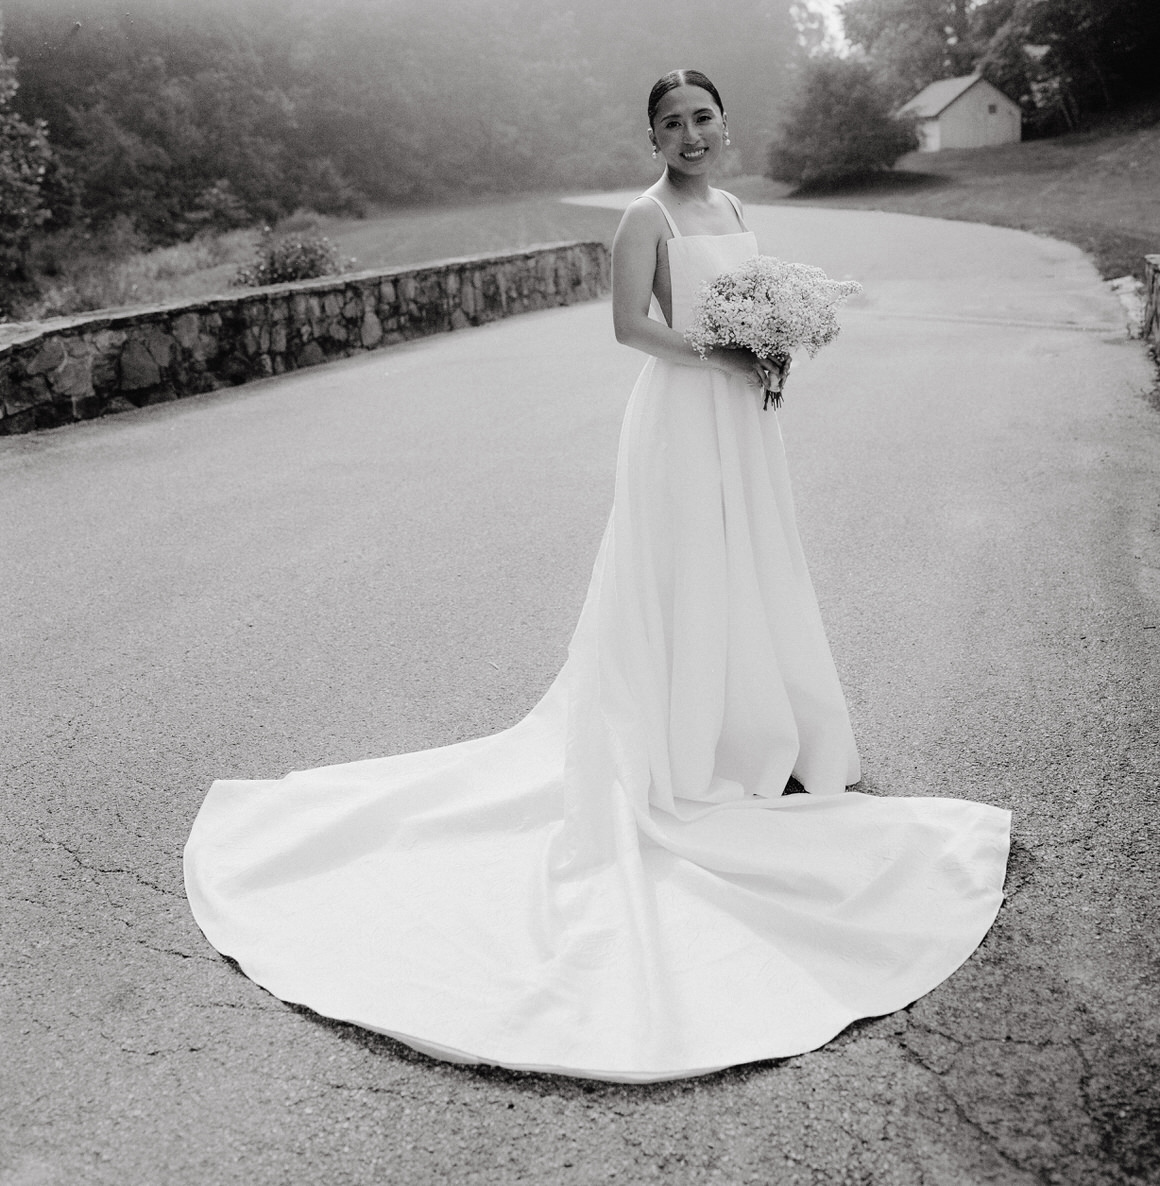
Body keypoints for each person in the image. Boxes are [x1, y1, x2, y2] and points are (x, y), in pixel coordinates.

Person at [185, 69, 1010, 1083]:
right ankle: (671, 747)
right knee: (679, 576)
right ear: (651, 137)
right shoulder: (644, 217)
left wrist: (773, 346)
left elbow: (748, 298)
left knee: (748, 563)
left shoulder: (736, 205)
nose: (691, 134)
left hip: (743, 418)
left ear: (722, 121)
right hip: (679, 413)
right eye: (672, 123)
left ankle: (749, 729)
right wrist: (727, 347)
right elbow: (629, 329)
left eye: (703, 116)